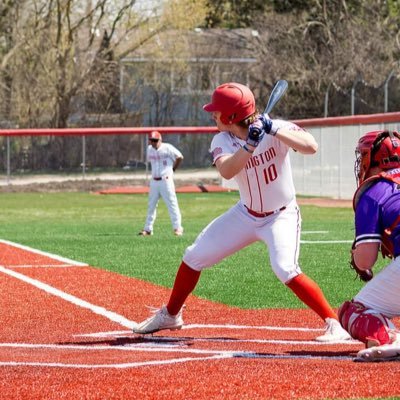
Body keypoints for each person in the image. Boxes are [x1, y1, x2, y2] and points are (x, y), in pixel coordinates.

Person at [134, 82, 350, 342]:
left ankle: (334, 323)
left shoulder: (273, 128)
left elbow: (311, 146)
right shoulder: (221, 139)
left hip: (281, 215)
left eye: (217, 112)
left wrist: (273, 129)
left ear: (232, 116)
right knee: (194, 256)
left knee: (285, 268)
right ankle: (171, 314)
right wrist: (249, 145)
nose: (213, 116)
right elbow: (227, 170)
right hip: (246, 214)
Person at [338, 130, 400, 362]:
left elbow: (365, 261)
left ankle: (391, 339)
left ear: (371, 159)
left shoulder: (373, 191)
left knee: (352, 312)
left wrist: (357, 256)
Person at [138, 130, 184, 236]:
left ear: (160, 139)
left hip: (166, 180)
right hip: (154, 181)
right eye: (151, 140)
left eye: (155, 140)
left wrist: (173, 169)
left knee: (172, 204)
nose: (153, 142)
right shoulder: (149, 149)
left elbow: (180, 157)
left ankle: (178, 228)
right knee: (151, 206)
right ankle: (148, 229)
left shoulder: (167, 147)